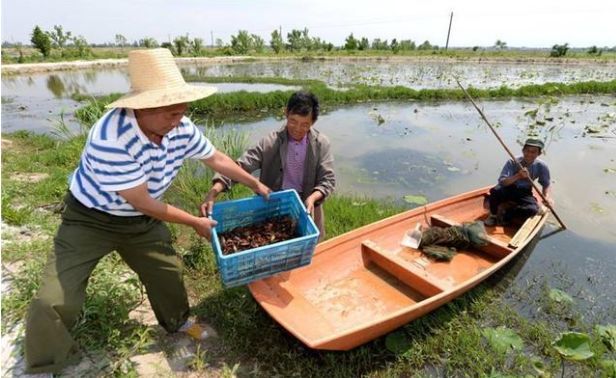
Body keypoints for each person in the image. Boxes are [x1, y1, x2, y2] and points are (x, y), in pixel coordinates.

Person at [24, 48, 271, 375]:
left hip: (141, 222)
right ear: (144, 107)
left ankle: (179, 322)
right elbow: (142, 200)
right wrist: (194, 222)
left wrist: (254, 183)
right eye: (171, 112)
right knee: (53, 300)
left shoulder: (178, 126)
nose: (179, 118)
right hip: (90, 218)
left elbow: (216, 158)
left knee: (167, 272)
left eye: (183, 109)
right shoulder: (110, 138)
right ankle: (43, 364)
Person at [202, 91, 335, 240]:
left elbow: (327, 180)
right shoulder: (270, 143)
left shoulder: (321, 144)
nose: (297, 128)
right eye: (293, 121)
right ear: (286, 113)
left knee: (311, 251)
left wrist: (312, 198)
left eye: (305, 124)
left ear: (313, 122)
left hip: (308, 208)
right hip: (275, 205)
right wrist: (214, 191)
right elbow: (241, 165)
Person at [484, 138, 553, 226]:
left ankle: (508, 213)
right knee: (495, 191)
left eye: (533, 152)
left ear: (539, 153)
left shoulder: (541, 166)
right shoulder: (513, 161)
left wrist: (546, 197)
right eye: (527, 151)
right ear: (523, 150)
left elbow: (546, 184)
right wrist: (518, 176)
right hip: (508, 187)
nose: (529, 154)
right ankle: (493, 215)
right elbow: (502, 182)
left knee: (532, 210)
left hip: (524, 191)